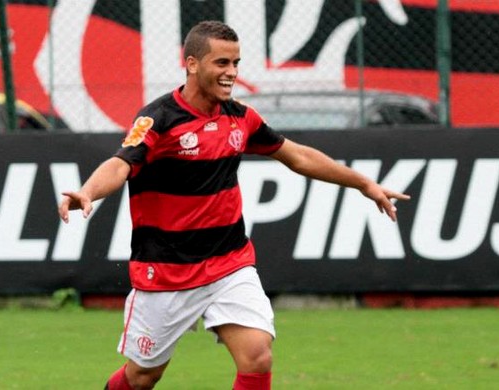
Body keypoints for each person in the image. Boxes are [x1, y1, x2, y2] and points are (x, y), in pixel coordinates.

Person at [58, 20, 410, 390]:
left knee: (257, 355)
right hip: (166, 273)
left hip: (229, 264)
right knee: (143, 376)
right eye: (221, 63)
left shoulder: (240, 117)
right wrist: (88, 191)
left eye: (235, 63)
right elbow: (120, 163)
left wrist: (363, 183)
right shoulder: (158, 118)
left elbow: (298, 157)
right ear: (192, 63)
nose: (231, 73)